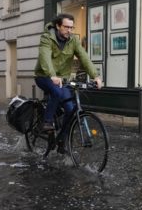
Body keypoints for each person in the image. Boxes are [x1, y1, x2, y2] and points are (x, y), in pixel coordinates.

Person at [34, 13, 103, 147]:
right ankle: (47, 122)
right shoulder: (46, 38)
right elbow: (45, 57)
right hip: (44, 76)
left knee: (71, 110)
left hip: (63, 80)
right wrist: (52, 74)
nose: (69, 30)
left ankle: (61, 139)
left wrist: (95, 76)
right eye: (66, 27)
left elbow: (84, 57)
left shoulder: (73, 41)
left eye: (72, 28)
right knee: (57, 92)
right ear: (58, 26)